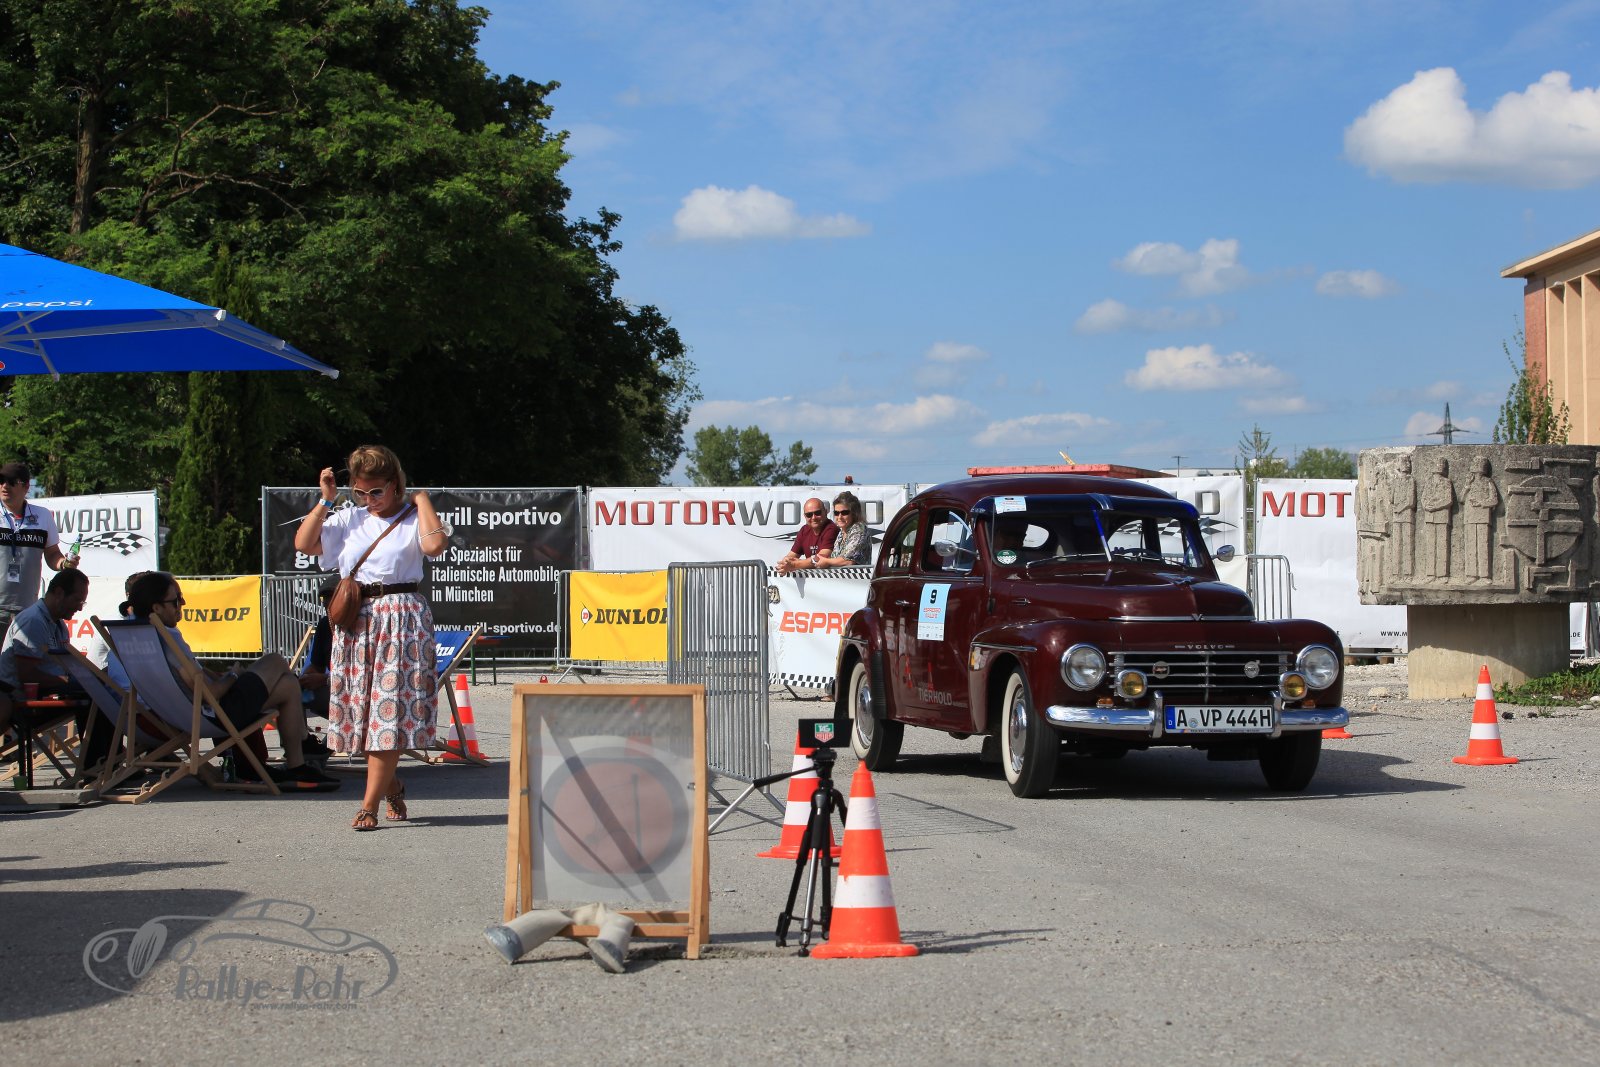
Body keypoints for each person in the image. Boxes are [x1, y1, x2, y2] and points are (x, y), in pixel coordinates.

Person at [293, 445, 448, 832]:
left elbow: (434, 546)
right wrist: (326, 500)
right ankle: (391, 786)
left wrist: (422, 500)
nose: (369, 499)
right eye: (360, 492)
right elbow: (304, 544)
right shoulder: (350, 518)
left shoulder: (413, 516)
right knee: (359, 717)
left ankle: (369, 806)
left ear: (395, 484)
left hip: (401, 619)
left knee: (387, 713)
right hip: (357, 620)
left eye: (376, 491)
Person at [110, 572, 336, 790]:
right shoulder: (168, 638)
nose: (183, 604)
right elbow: (210, 693)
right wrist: (233, 674)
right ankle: (304, 744)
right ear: (157, 608)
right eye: (176, 600)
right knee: (275, 661)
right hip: (211, 715)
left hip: (177, 714)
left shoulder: (139, 637)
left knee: (288, 684)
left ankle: (297, 764)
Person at [0, 569, 92, 772]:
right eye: (77, 600)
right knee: (92, 696)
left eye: (82, 603)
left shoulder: (58, 625)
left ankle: (103, 760)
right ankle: (96, 764)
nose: (79, 607)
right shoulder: (33, 621)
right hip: (21, 702)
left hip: (41, 695)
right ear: (59, 593)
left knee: (97, 691)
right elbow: (27, 676)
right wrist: (67, 681)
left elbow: (64, 665)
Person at [0, 461, 79, 636]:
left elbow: (52, 554)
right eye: (1, 481)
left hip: (27, 607)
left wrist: (64, 563)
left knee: (28, 653)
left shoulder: (42, 515)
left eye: (12, 482)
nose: (5, 486)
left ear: (26, 487)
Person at [774, 496, 838, 574]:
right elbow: (791, 556)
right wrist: (785, 563)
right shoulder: (804, 530)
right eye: (809, 515)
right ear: (805, 516)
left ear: (825, 512)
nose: (813, 517)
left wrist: (794, 564)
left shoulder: (831, 529)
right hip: (813, 578)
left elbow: (821, 558)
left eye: (817, 513)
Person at [814, 491, 870, 568]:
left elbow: (848, 561)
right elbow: (835, 559)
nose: (839, 517)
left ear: (854, 513)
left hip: (857, 575)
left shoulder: (859, 529)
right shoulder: (842, 532)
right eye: (836, 513)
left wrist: (826, 561)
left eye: (844, 513)